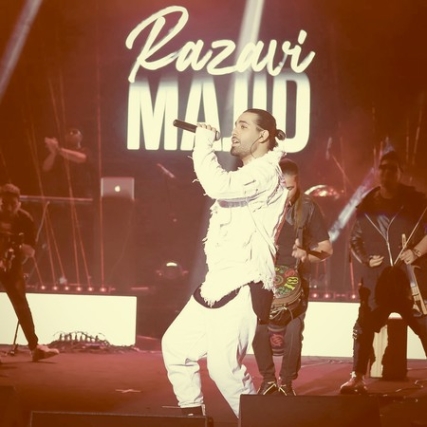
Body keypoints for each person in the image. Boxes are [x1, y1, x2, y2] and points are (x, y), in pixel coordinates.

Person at [161, 109, 288, 418]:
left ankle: (257, 423)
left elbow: (217, 186)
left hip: (245, 281)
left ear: (262, 136)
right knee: (176, 348)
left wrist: (203, 144)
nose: (234, 132)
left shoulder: (266, 172)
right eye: (235, 125)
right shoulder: (248, 174)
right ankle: (193, 420)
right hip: (218, 282)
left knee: (224, 369)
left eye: (243, 126)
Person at [340, 150, 427, 394]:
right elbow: (355, 240)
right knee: (364, 326)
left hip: (410, 280)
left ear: (400, 173)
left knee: (424, 325)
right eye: (383, 168)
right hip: (377, 282)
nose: (387, 172)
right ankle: (357, 377)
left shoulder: (416, 202)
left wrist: (416, 251)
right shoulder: (366, 205)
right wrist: (366, 259)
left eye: (392, 168)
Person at [252, 159, 333, 396]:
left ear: (298, 183)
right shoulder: (260, 205)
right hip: (264, 275)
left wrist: (306, 254)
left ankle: (286, 382)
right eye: (280, 188)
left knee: (294, 329)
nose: (285, 194)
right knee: (257, 327)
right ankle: (268, 379)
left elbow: (327, 249)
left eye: (290, 188)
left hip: (295, 278)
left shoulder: (308, 207)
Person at [0, 183, 59, 362]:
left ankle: (34, 347)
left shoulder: (25, 219)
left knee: (21, 304)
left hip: (12, 265)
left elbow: (31, 251)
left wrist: (14, 246)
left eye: (12, 204)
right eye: (4, 204)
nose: (8, 208)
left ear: (18, 203)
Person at [41, 127, 95, 286]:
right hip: (62, 205)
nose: (71, 134)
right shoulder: (59, 154)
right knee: (61, 240)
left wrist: (58, 149)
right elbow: (45, 167)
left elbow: (80, 159)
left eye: (74, 131)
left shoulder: (85, 151)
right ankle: (59, 275)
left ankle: (85, 276)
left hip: (82, 205)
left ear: (81, 135)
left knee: (82, 240)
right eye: (68, 132)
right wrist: (53, 152)